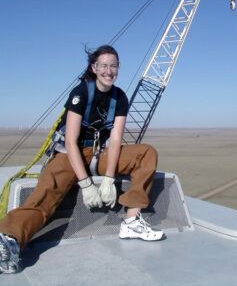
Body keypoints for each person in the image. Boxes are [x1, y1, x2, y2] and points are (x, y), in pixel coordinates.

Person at [0, 44, 165, 274]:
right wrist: (86, 184)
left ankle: (131, 221)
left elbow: (116, 140)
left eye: (114, 66)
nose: (109, 71)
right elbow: (70, 141)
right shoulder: (81, 93)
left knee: (146, 153)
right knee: (49, 190)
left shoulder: (120, 98)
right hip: (71, 153)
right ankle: (10, 239)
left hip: (101, 153)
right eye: (104, 66)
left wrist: (108, 179)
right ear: (94, 68)